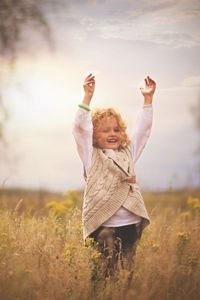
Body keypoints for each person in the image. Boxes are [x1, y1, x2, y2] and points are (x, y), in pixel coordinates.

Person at [72, 73, 156, 286]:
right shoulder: (91, 155)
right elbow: (80, 129)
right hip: (102, 226)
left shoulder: (127, 153)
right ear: (94, 136)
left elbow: (142, 133)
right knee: (100, 277)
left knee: (125, 276)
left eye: (117, 130)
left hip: (130, 225)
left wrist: (148, 101)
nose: (113, 133)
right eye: (105, 130)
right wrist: (87, 97)